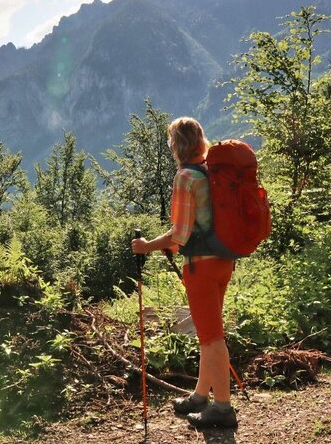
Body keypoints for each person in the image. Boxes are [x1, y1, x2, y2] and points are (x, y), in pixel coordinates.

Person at [130, 116, 238, 430]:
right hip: (223, 261)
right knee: (209, 331)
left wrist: (146, 246)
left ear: (178, 144)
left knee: (210, 337)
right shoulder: (212, 172)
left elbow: (179, 236)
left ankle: (222, 408)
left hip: (201, 267)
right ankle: (200, 396)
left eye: (170, 143)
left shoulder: (186, 177)